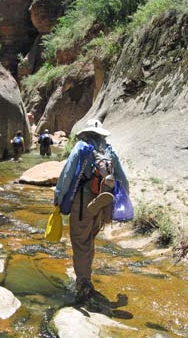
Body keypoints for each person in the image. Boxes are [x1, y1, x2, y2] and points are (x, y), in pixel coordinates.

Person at [54, 119, 129, 305]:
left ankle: (83, 284)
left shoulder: (82, 147)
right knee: (90, 240)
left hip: (83, 201)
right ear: (102, 135)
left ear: (85, 133)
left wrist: (58, 197)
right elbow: (122, 178)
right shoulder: (109, 151)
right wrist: (123, 201)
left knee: (80, 242)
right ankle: (86, 277)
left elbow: (67, 173)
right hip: (103, 201)